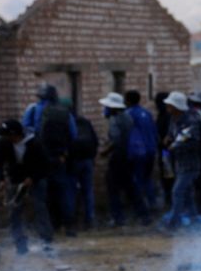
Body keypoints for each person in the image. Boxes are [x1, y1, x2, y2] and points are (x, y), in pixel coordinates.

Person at [0, 119, 52, 254]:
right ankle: (20, 243)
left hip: (35, 179)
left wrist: (32, 178)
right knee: (14, 211)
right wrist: (0, 179)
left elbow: (45, 165)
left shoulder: (35, 143)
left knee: (40, 208)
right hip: (16, 179)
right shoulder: (4, 143)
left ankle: (46, 241)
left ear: (15, 135)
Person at [27, 85, 78, 236]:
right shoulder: (65, 112)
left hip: (40, 158)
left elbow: (26, 132)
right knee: (63, 191)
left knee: (41, 194)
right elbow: (73, 135)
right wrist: (64, 152)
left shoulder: (34, 109)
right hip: (59, 158)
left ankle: (47, 228)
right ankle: (69, 226)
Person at [100, 92, 150, 227]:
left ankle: (118, 218)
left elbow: (115, 140)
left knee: (113, 189)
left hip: (118, 158)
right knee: (131, 188)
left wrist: (105, 151)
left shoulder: (115, 120)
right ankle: (143, 215)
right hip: (129, 157)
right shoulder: (127, 117)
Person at [161, 91, 201, 229]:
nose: (167, 107)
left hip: (190, 164)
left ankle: (174, 223)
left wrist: (174, 145)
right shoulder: (174, 119)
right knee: (186, 192)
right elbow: (171, 134)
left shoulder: (190, 122)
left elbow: (192, 141)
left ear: (176, 106)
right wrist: (168, 139)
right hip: (180, 163)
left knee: (177, 191)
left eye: (170, 105)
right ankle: (193, 219)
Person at [124, 90, 159, 210]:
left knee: (137, 179)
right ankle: (152, 201)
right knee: (147, 178)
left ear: (127, 100)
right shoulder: (147, 113)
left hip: (139, 152)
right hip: (151, 149)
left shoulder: (128, 114)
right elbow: (154, 131)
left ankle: (141, 208)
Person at [68, 101, 99, 230]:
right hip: (88, 160)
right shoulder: (85, 122)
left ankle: (72, 221)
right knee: (88, 191)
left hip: (74, 160)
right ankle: (90, 219)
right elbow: (95, 140)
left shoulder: (67, 123)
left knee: (71, 191)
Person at [154, 92, 176, 207]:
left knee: (168, 178)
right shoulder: (164, 115)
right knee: (168, 177)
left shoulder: (166, 116)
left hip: (167, 152)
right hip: (166, 151)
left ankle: (171, 203)